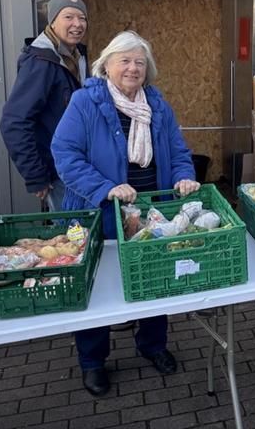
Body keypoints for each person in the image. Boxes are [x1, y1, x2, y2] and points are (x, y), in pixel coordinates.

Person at [50, 30, 200, 397]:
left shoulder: (157, 105)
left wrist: (183, 176)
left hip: (148, 213)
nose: (133, 68)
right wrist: (105, 188)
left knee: (151, 278)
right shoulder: (85, 102)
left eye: (140, 63)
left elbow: (179, 151)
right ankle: (92, 361)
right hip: (92, 214)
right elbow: (65, 154)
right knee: (96, 287)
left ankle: (152, 345)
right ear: (107, 65)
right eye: (125, 61)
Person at [0, 0, 89, 211]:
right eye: (68, 17)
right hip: (57, 172)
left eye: (82, 18)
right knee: (73, 230)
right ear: (53, 21)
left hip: (78, 167)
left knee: (85, 228)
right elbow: (14, 122)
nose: (77, 24)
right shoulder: (41, 61)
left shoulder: (77, 57)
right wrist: (35, 175)